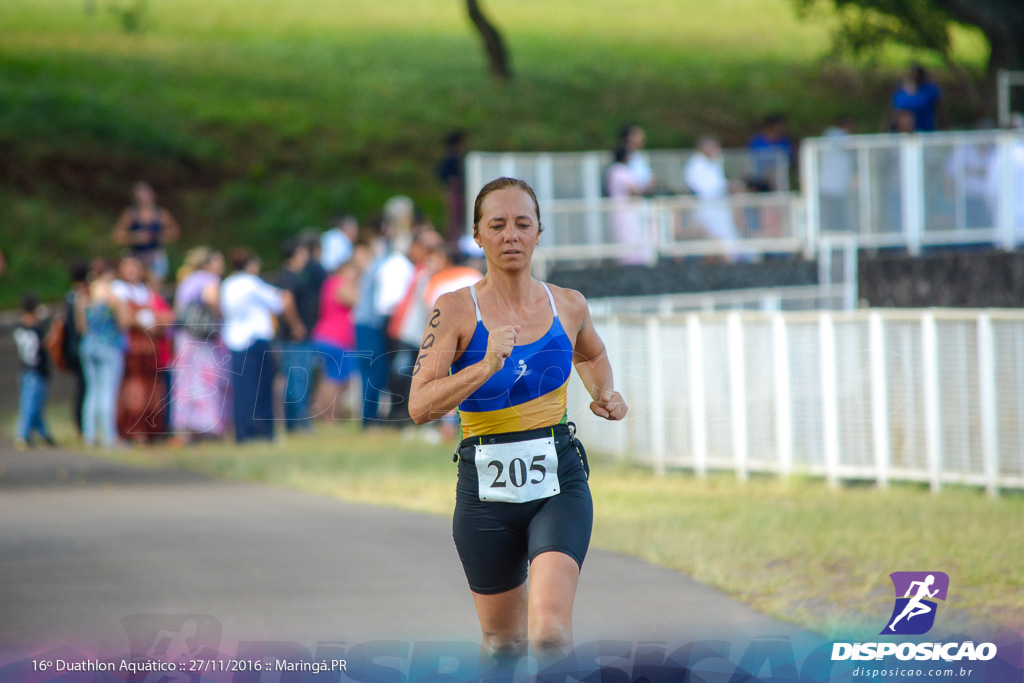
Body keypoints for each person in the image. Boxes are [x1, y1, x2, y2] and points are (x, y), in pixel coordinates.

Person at [408, 177, 627, 675]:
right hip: (484, 491)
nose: (511, 235)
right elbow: (419, 406)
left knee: (549, 636)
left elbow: (590, 353)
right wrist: (483, 367)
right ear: (477, 236)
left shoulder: (567, 303)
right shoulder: (455, 309)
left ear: (538, 233)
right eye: (497, 225)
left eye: (522, 224)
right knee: (504, 645)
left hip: (558, 481)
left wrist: (604, 392)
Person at [221, 248, 304, 443]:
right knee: (261, 388)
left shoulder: (228, 284)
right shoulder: (252, 283)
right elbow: (277, 303)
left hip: (235, 340)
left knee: (242, 389)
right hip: (255, 339)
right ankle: (264, 431)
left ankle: (243, 431)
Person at [169, 247, 230, 444]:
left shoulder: (187, 280)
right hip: (203, 339)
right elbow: (211, 299)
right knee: (206, 379)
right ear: (207, 264)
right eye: (218, 261)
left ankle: (186, 426)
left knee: (186, 381)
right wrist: (224, 313)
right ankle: (207, 425)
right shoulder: (208, 280)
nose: (221, 265)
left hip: (186, 338)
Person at [111, 255, 170, 443]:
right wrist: (146, 322)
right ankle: (133, 428)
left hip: (150, 347)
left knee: (151, 386)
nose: (133, 272)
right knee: (133, 386)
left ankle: (150, 428)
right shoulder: (119, 290)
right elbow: (127, 320)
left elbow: (164, 317)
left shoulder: (145, 291)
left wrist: (153, 322)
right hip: (133, 345)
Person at [77, 260, 128, 449]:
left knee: (92, 391)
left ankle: (89, 435)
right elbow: (124, 322)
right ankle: (109, 436)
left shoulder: (84, 296)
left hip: (88, 345)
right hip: (108, 346)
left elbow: (81, 327)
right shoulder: (112, 295)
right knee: (108, 392)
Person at [684, 137, 744, 260]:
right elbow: (702, 190)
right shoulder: (696, 166)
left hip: (719, 209)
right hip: (707, 209)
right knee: (713, 242)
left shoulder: (713, 164)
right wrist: (727, 187)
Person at [112, 182, 181, 283]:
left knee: (155, 282)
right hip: (136, 255)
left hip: (155, 254)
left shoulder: (161, 214)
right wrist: (135, 237)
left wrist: (160, 236)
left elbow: (175, 232)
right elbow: (117, 236)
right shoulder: (131, 214)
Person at [13, 294, 57, 450]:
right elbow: (47, 343)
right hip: (36, 371)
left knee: (35, 405)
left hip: (24, 370)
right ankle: (22, 435)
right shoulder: (37, 329)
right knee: (30, 405)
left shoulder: (19, 328)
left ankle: (44, 433)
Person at [606, 146, 652, 265]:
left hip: (624, 209)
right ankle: (631, 261)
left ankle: (631, 260)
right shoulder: (620, 170)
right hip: (625, 209)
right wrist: (648, 188)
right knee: (629, 236)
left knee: (629, 235)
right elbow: (634, 191)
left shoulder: (614, 170)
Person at [436, 130, 468, 249]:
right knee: (454, 217)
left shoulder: (455, 156)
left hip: (457, 191)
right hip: (454, 190)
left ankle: (456, 241)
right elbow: (442, 172)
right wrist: (452, 181)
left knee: (457, 217)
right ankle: (453, 243)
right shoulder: (451, 157)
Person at [748, 113, 794, 192]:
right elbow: (750, 161)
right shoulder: (757, 141)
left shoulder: (785, 142)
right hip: (759, 180)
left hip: (779, 181)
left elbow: (791, 161)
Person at [890, 64, 943, 133]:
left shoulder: (930, 90)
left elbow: (940, 112)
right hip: (904, 133)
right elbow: (894, 113)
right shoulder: (901, 92)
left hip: (926, 131)